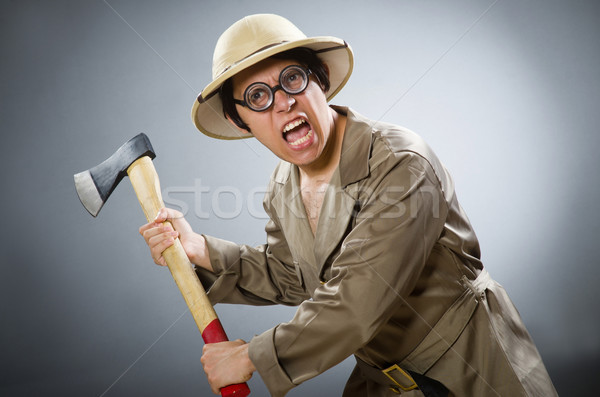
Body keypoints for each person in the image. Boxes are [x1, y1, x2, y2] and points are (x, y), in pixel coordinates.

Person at [139, 14, 558, 397]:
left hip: (474, 368)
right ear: (240, 121)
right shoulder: (284, 183)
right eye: (258, 95)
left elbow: (358, 298)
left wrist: (252, 355)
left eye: (292, 79)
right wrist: (202, 251)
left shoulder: (401, 165)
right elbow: (292, 275)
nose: (283, 102)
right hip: (383, 379)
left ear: (320, 80)